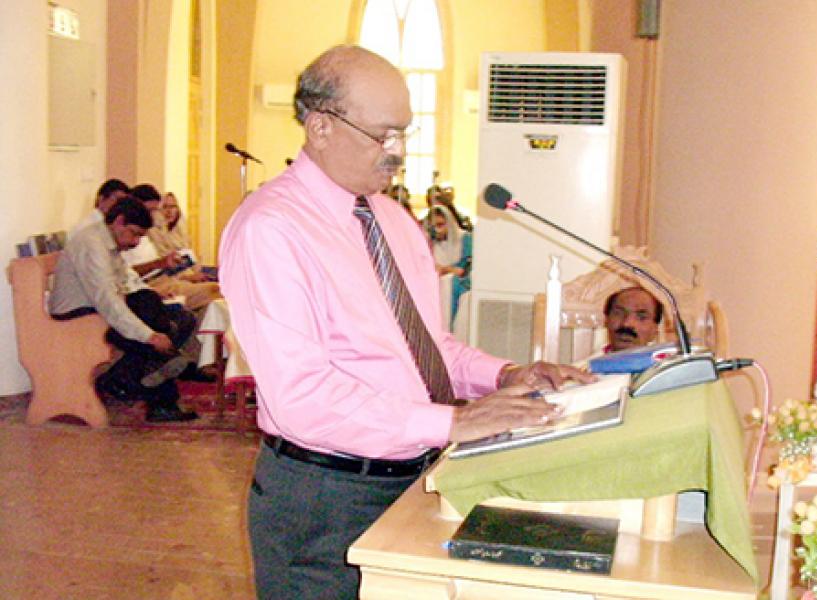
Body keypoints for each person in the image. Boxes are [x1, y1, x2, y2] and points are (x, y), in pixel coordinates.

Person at [218, 45, 593, 599]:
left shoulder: (390, 220)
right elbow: (303, 396)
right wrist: (451, 423)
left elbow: (426, 348)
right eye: (383, 135)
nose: (397, 152)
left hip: (411, 475)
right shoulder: (272, 229)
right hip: (326, 495)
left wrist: (505, 375)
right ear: (320, 126)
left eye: (405, 133)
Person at [48, 197, 199, 422]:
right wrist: (149, 336)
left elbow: (123, 284)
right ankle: (155, 393)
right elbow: (106, 299)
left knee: (164, 309)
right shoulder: (92, 244)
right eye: (135, 234)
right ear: (119, 222)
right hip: (77, 315)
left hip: (95, 309)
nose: (137, 242)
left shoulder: (108, 240)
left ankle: (123, 378)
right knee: (148, 323)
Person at [427, 204, 471, 326]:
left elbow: (464, 269)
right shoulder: (431, 242)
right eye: (433, 226)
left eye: (440, 225)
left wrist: (445, 269)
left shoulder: (464, 238)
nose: (437, 230)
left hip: (460, 283)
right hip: (436, 279)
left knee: (449, 282)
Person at [603, 286, 663, 352]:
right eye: (619, 313)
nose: (626, 324)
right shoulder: (591, 361)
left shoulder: (665, 362)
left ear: (654, 331)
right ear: (606, 320)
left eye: (641, 317)